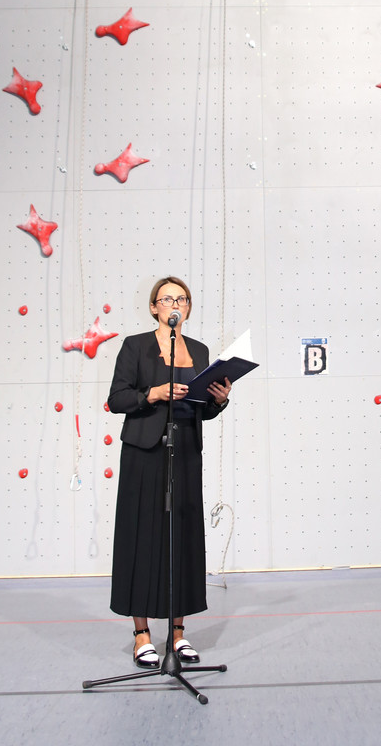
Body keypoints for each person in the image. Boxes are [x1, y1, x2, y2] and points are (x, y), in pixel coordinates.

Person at [108, 276, 232, 667]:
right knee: (140, 537)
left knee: (182, 538)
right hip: (144, 453)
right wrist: (154, 393)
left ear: (188, 307)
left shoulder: (199, 350)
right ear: (154, 308)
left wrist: (219, 401)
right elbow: (117, 398)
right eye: (167, 299)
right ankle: (142, 635)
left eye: (182, 299)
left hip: (185, 451)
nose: (175, 304)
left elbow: (201, 409)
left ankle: (178, 634)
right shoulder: (135, 346)